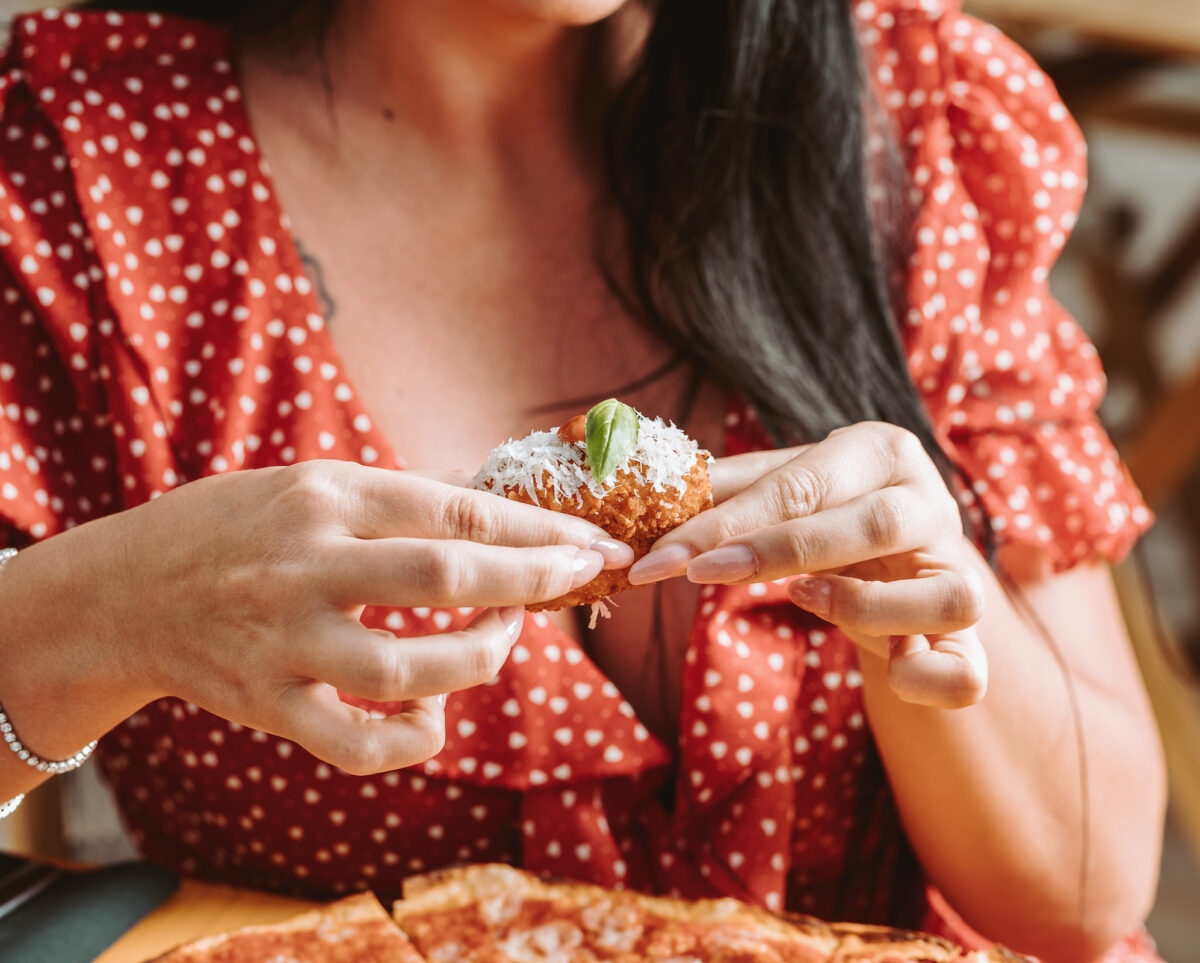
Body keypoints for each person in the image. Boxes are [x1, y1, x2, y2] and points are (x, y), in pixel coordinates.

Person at [0, 1, 1166, 959]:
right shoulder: (83, 161)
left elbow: (1085, 901)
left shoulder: (911, 110)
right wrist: (118, 611)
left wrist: (931, 605)